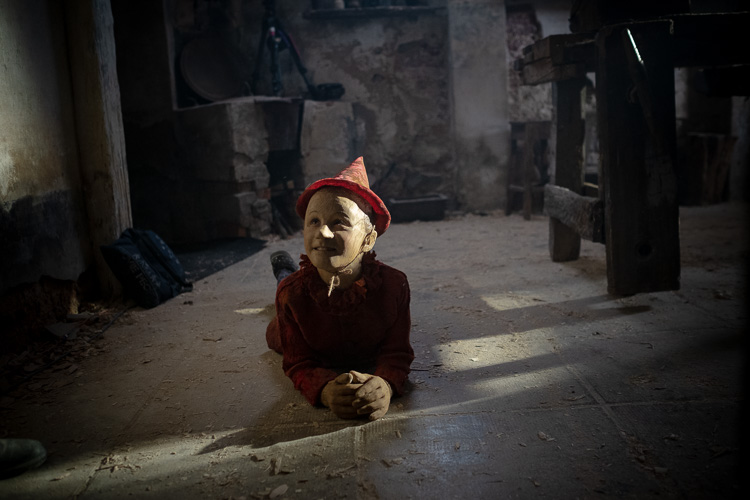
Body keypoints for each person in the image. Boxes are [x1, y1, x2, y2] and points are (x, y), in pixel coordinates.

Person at [266, 157, 414, 421]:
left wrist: (386, 385)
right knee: (284, 290)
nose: (323, 233)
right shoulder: (292, 295)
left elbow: (397, 354)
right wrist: (324, 390)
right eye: (313, 221)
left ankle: (284, 269)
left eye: (338, 223)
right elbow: (298, 362)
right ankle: (283, 269)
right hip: (292, 314)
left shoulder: (394, 287)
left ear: (368, 240)